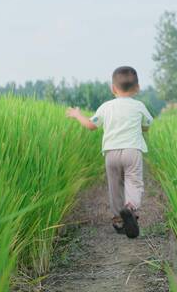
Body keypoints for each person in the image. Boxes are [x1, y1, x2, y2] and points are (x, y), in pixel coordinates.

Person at [66, 66, 153, 238]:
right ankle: (130, 209)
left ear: (113, 88)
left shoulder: (106, 107)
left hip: (111, 153)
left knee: (115, 186)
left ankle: (117, 220)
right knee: (133, 182)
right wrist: (140, 127)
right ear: (137, 88)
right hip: (132, 151)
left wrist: (77, 115)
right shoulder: (139, 106)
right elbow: (147, 125)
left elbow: (91, 126)